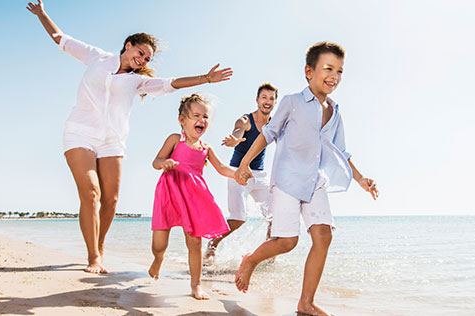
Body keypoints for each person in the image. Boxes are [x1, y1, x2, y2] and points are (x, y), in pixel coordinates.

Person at [26, 0, 233, 274]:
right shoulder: (97, 58)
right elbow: (62, 39)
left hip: (112, 140)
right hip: (80, 132)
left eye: (147, 59)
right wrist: (42, 13)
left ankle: (100, 245)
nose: (143, 60)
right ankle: (93, 258)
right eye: (141, 53)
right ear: (128, 45)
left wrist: (205, 78)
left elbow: (170, 84)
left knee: (110, 200)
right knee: (91, 193)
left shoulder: (138, 81)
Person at [233, 42, 378, 316]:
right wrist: (244, 162)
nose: (334, 75)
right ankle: (251, 260)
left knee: (323, 237)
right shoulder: (292, 102)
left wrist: (360, 179)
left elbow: (341, 151)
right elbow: (268, 133)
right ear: (309, 71)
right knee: (287, 242)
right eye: (328, 68)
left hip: (315, 182)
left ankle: (306, 303)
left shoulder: (335, 112)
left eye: (339, 71)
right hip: (288, 180)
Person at [148, 94, 235, 300]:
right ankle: (158, 259)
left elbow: (222, 168)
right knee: (159, 243)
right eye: (196, 115)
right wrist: (164, 163)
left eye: (205, 117)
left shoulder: (206, 148)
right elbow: (156, 161)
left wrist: (238, 173)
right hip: (169, 192)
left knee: (195, 242)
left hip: (194, 196)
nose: (202, 120)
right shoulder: (175, 140)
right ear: (182, 120)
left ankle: (196, 285)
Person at [203, 83, 278, 261]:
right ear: (257, 100)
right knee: (238, 219)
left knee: (275, 215)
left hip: (259, 175)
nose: (267, 101)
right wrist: (234, 140)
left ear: (275, 102)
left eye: (271, 98)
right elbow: (237, 133)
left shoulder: (274, 124)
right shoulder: (245, 120)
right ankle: (212, 244)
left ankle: (269, 254)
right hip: (237, 173)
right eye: (264, 97)